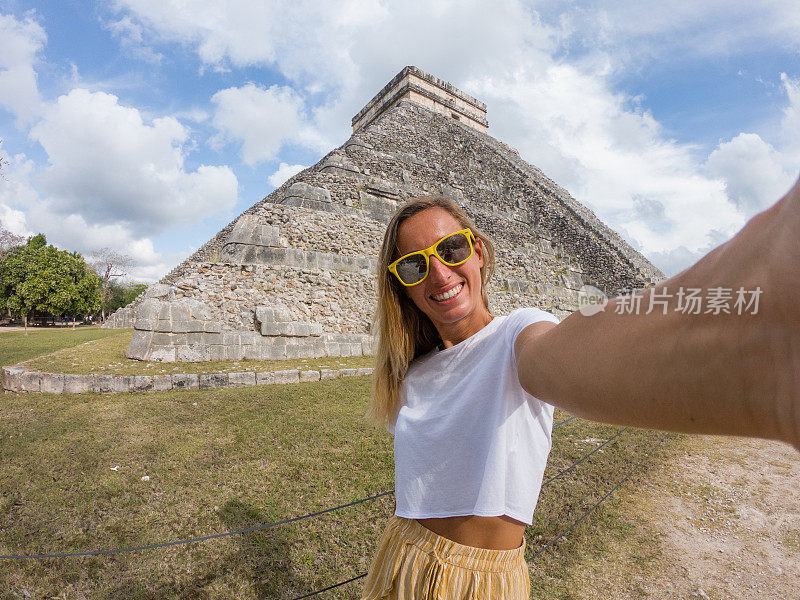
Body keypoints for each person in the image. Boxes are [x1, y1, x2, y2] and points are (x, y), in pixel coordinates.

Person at [360, 176, 800, 600]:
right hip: (402, 557)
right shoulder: (411, 375)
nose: (439, 273)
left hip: (481, 583)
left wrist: (758, 323)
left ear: (477, 251)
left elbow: (563, 353)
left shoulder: (517, 334)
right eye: (415, 265)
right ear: (403, 285)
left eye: (450, 248)